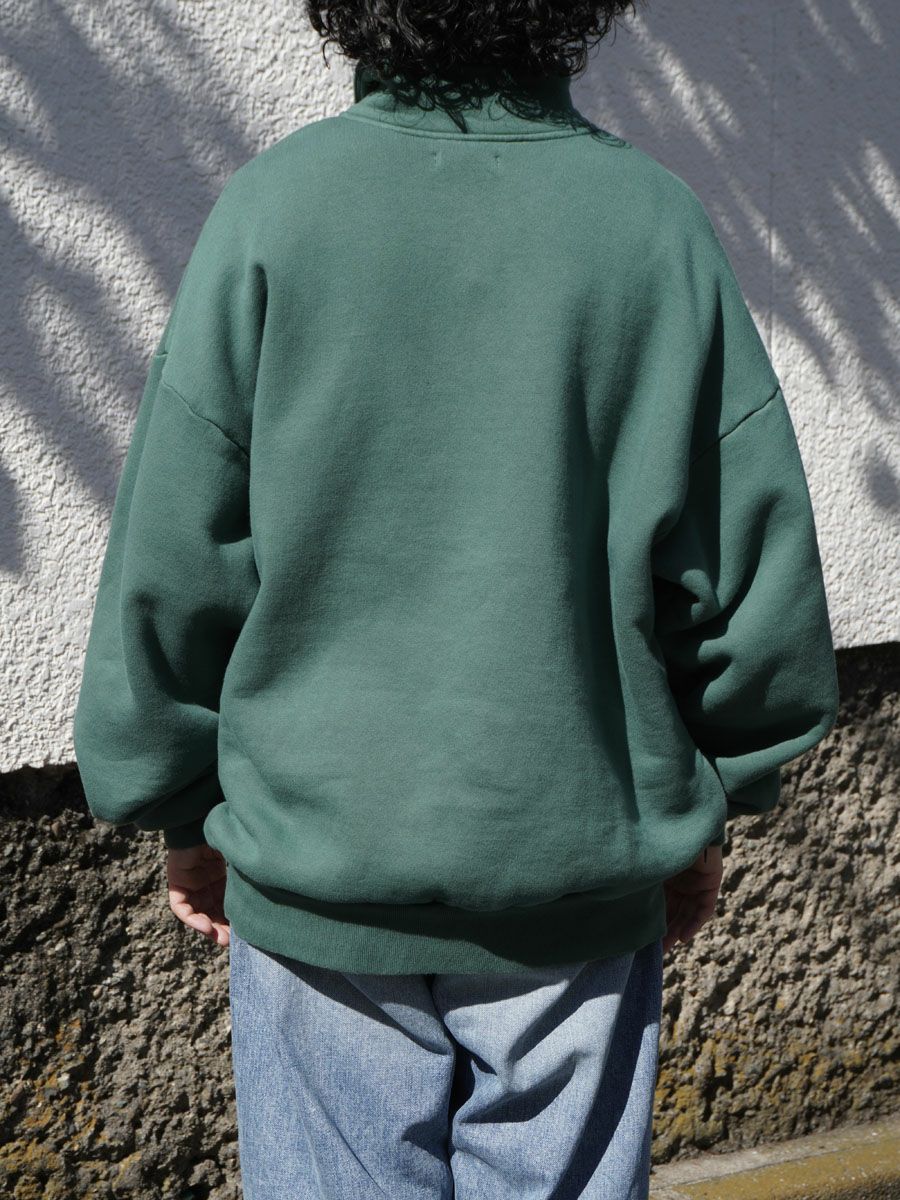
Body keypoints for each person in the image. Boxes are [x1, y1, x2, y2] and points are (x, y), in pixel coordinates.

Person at [72, 2, 840, 1196]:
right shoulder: (651, 226)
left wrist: (178, 805)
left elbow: (177, 557)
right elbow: (744, 564)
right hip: (578, 875)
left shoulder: (277, 211)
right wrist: (720, 790)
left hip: (319, 876)